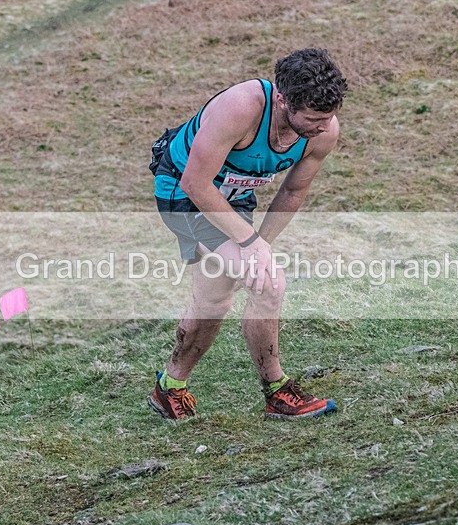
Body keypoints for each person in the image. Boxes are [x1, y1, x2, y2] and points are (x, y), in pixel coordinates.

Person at [147, 48, 348, 420]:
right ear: (283, 100)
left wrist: (261, 246)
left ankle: (169, 388)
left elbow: (292, 191)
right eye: (314, 118)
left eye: (329, 117)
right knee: (269, 284)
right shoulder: (241, 108)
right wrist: (252, 246)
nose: (323, 127)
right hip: (182, 191)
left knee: (215, 299)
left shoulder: (323, 132)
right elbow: (195, 183)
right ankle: (278, 392)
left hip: (233, 199)